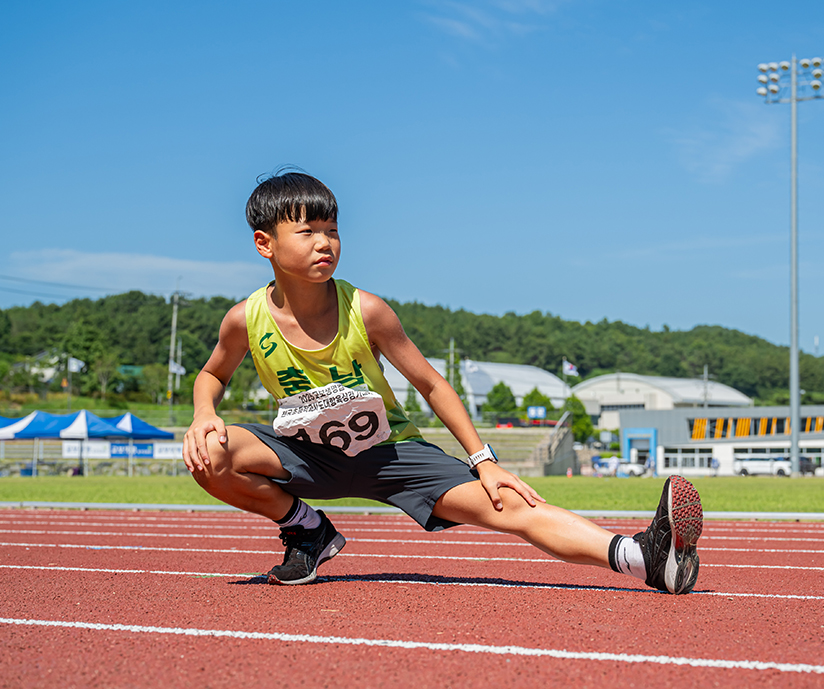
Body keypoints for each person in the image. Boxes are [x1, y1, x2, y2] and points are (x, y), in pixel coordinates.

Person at [183, 171, 702, 594]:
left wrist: (485, 461)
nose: (326, 243)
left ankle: (646, 559)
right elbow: (212, 374)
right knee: (210, 452)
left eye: (333, 230)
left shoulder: (368, 310)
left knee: (510, 506)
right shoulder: (243, 319)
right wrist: (204, 414)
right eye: (308, 231)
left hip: (391, 455)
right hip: (305, 455)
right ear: (264, 244)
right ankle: (307, 529)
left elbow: (431, 385)